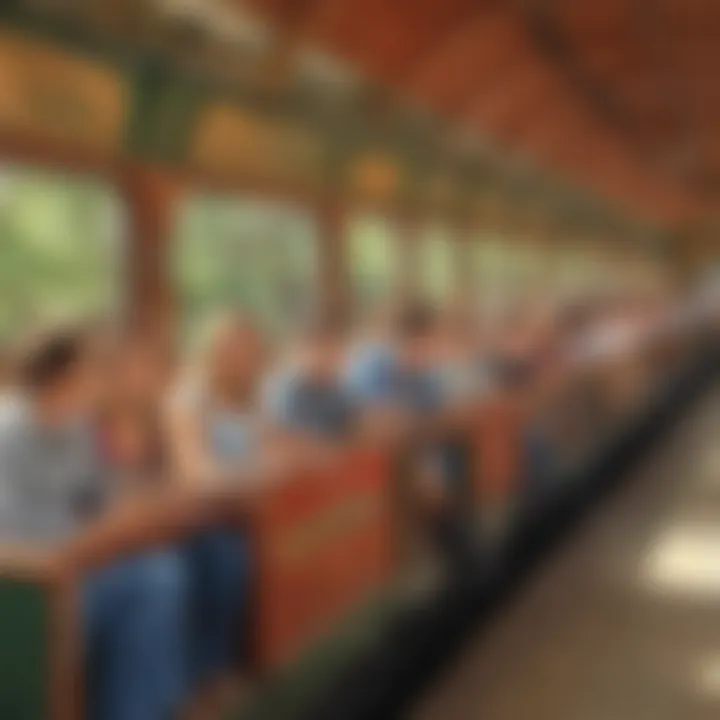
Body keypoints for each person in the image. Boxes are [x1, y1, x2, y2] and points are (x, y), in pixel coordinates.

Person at [0, 326, 187, 720]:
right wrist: (99, 526)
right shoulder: (9, 433)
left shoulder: (78, 428)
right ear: (61, 377)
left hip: (78, 565)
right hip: (28, 586)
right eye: (93, 374)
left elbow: (96, 494)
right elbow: (16, 533)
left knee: (161, 571)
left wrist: (123, 508)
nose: (102, 385)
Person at [165, 313, 266, 713]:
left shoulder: (253, 396)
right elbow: (193, 467)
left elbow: (273, 446)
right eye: (231, 350)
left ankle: (261, 652)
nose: (241, 358)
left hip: (250, 506)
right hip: (202, 517)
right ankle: (208, 671)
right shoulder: (188, 398)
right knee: (225, 557)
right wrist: (244, 483)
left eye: (248, 351)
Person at [264, 311, 356, 444]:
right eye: (321, 348)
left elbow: (352, 430)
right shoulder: (288, 392)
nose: (327, 357)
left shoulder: (337, 391)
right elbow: (290, 441)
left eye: (334, 348)